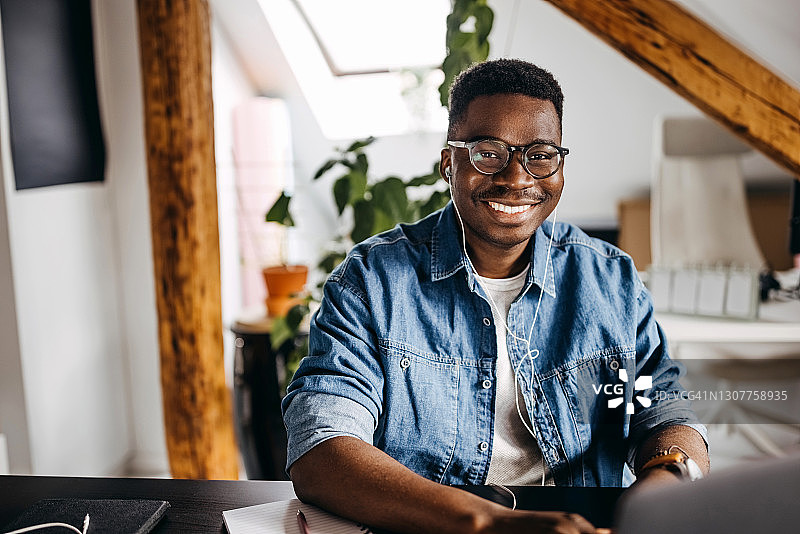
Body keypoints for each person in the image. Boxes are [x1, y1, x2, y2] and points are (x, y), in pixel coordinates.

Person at [282, 58, 709, 534]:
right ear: (449, 163)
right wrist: (487, 523)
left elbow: (666, 410)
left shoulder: (610, 280)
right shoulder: (371, 281)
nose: (517, 177)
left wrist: (667, 477)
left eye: (541, 154)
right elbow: (321, 447)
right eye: (489, 152)